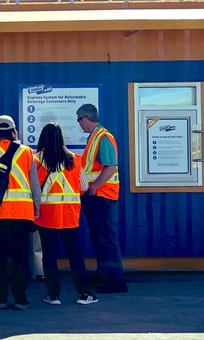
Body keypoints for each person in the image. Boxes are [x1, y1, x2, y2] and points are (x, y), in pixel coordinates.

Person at [32, 123, 98, 305]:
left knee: (49, 255)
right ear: (61, 138)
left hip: (45, 216)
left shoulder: (35, 160)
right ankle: (84, 294)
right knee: (75, 255)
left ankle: (53, 295)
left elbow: (33, 187)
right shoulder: (74, 159)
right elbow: (84, 186)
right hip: (69, 215)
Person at [0, 115, 37, 310]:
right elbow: (34, 184)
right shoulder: (27, 152)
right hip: (22, 212)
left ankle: (0, 298)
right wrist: (36, 208)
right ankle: (21, 299)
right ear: (14, 131)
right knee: (20, 255)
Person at [76, 103, 128, 293]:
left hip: (102, 197)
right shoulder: (94, 138)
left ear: (85, 118)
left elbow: (111, 166)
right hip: (96, 197)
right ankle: (104, 278)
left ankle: (115, 281)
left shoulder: (103, 137)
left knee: (107, 239)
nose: (79, 124)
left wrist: (94, 187)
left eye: (79, 120)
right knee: (100, 239)